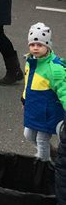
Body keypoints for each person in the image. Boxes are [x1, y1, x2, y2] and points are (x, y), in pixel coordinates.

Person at [21, 23, 66, 161]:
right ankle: (50, 152)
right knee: (28, 134)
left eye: (40, 45)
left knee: (41, 139)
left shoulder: (54, 68)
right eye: (32, 44)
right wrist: (24, 99)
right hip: (34, 108)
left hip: (48, 111)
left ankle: (43, 164)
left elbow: (63, 91)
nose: (35, 48)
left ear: (48, 46)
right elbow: (28, 83)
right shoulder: (30, 62)